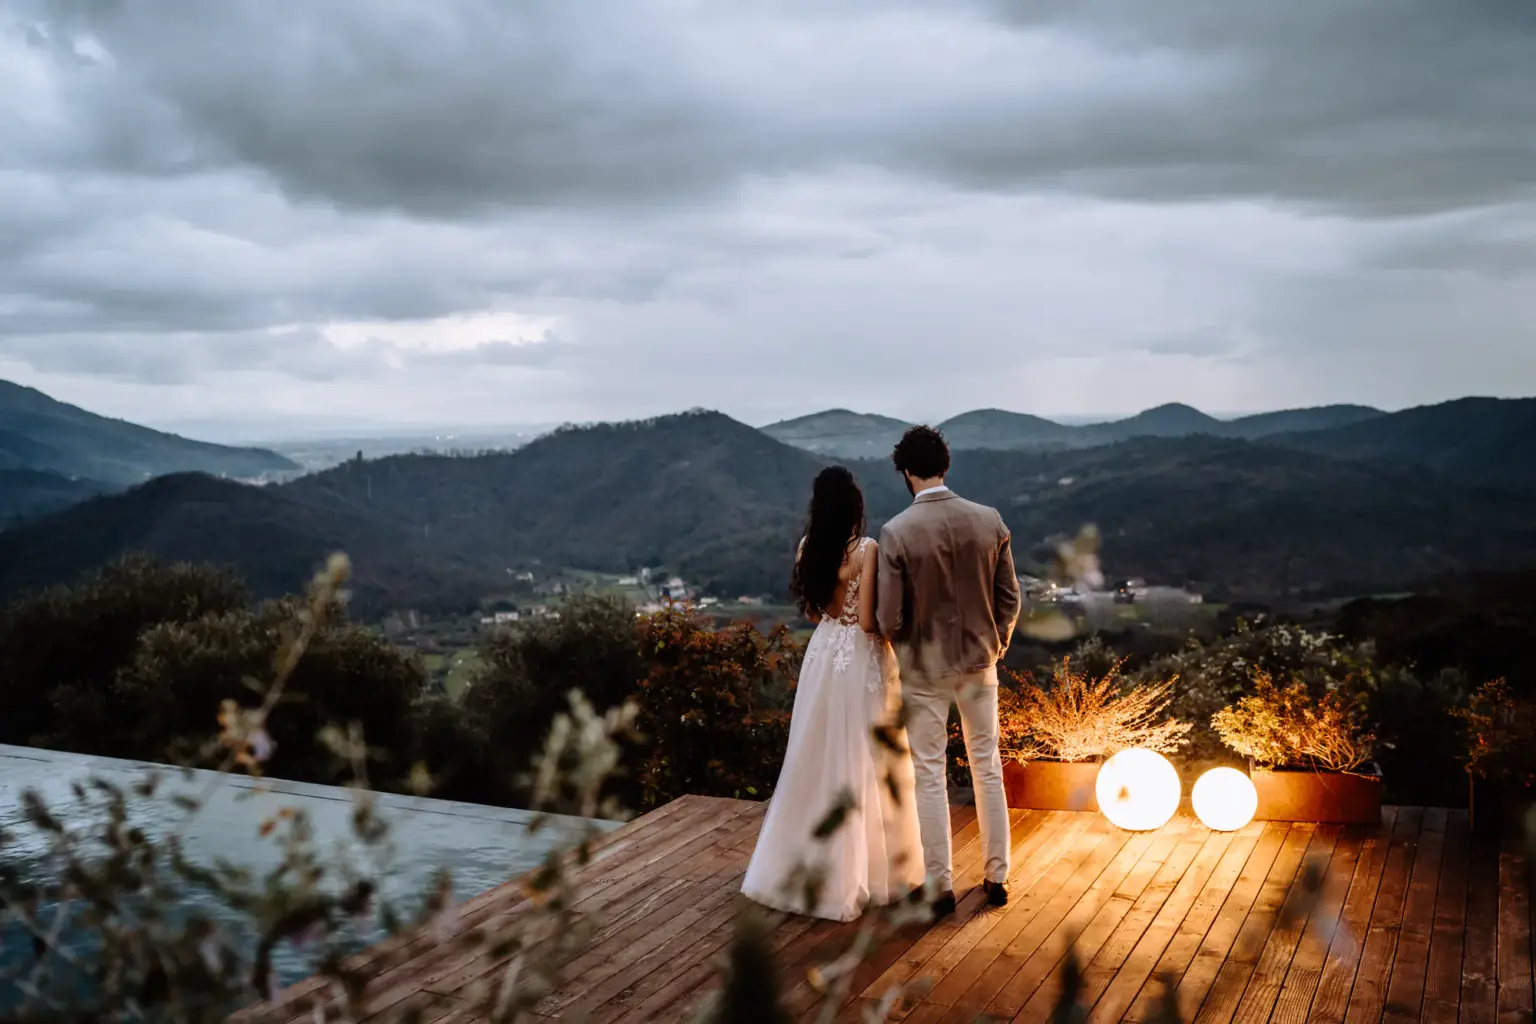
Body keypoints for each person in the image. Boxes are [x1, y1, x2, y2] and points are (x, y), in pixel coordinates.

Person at [741, 466, 925, 922]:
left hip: (823, 654)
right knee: (867, 758)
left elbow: (812, 612)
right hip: (861, 658)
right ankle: (871, 870)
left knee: (817, 754)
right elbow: (867, 622)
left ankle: (802, 865)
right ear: (854, 505)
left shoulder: (808, 547)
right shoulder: (867, 549)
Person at [877, 425, 1021, 920]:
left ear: (905, 471)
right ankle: (997, 876)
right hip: (981, 661)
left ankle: (939, 886)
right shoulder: (989, 520)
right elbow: (1009, 597)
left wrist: (907, 649)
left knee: (929, 773)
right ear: (945, 465)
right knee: (987, 765)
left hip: (923, 668)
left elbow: (888, 617)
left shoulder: (897, 532)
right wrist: (997, 642)